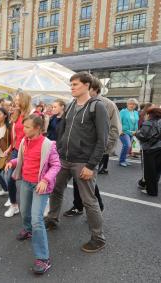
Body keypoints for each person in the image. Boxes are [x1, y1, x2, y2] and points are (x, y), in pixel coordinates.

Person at [45, 72, 109, 253]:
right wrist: (57, 152)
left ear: (87, 85)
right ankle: (52, 219)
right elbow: (62, 130)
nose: (72, 87)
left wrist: (91, 165)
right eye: (71, 84)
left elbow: (102, 140)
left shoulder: (97, 107)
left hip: (83, 162)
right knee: (56, 190)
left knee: (89, 200)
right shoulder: (72, 104)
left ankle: (98, 238)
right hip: (64, 159)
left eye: (75, 84)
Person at [5, 114, 61, 275]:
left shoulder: (48, 144)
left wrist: (45, 180)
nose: (24, 130)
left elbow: (56, 165)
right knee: (24, 212)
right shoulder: (24, 141)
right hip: (26, 183)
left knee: (37, 219)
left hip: (40, 186)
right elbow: (24, 160)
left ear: (37, 128)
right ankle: (28, 230)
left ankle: (43, 258)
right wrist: (12, 162)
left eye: (27, 127)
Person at [63, 76, 120, 216]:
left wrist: (103, 150)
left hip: (95, 151)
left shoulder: (106, 104)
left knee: (88, 181)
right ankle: (78, 206)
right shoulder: (76, 103)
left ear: (92, 89)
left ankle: (97, 209)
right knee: (79, 180)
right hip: (77, 152)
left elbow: (114, 129)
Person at [4, 92, 32, 216]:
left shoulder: (32, 115)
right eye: (15, 100)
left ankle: (42, 202)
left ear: (24, 101)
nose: (15, 102)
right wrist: (10, 148)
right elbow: (15, 136)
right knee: (10, 178)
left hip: (28, 152)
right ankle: (14, 204)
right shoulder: (16, 114)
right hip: (16, 151)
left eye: (17, 100)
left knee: (31, 181)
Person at [136, 107, 161, 196]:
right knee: (157, 169)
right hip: (159, 147)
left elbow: (143, 135)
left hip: (150, 149)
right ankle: (153, 186)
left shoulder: (148, 123)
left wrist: (137, 133)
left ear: (150, 114)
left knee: (149, 171)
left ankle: (151, 191)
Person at [119, 98, 139, 167]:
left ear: (135, 105)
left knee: (128, 147)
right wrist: (120, 130)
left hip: (133, 132)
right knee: (127, 145)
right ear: (127, 104)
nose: (132, 105)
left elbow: (136, 122)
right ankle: (121, 160)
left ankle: (124, 160)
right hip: (124, 132)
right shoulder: (123, 112)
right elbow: (118, 121)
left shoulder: (136, 112)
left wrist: (136, 131)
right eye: (130, 104)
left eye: (134, 104)